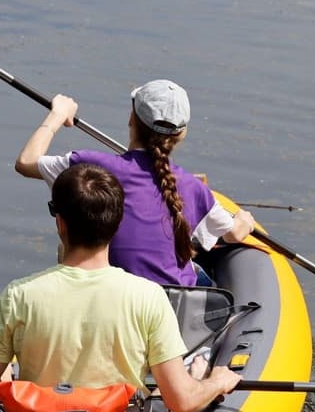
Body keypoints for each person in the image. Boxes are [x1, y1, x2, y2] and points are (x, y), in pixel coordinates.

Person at [0, 163, 240, 412]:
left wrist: (6, 380)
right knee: (187, 375)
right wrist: (216, 382)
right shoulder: (148, 297)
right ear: (117, 224)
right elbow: (182, 402)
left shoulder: (18, 295)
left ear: (60, 223)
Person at [13, 80, 255, 286]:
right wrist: (244, 221)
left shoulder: (90, 168)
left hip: (112, 298)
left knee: (64, 250)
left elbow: (26, 162)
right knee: (199, 273)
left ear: (131, 119)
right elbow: (234, 234)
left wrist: (58, 114)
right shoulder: (195, 189)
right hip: (173, 308)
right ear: (181, 134)